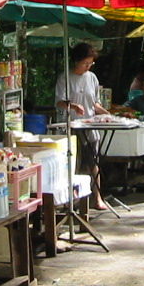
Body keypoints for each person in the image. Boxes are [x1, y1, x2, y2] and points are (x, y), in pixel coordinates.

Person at [55, 42, 108, 210]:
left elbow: (95, 104)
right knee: (73, 163)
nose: (88, 67)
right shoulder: (65, 77)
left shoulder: (92, 78)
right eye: (85, 63)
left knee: (93, 162)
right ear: (76, 61)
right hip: (71, 126)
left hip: (90, 125)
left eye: (90, 63)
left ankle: (97, 197)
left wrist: (106, 113)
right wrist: (73, 106)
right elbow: (59, 101)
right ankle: (71, 201)